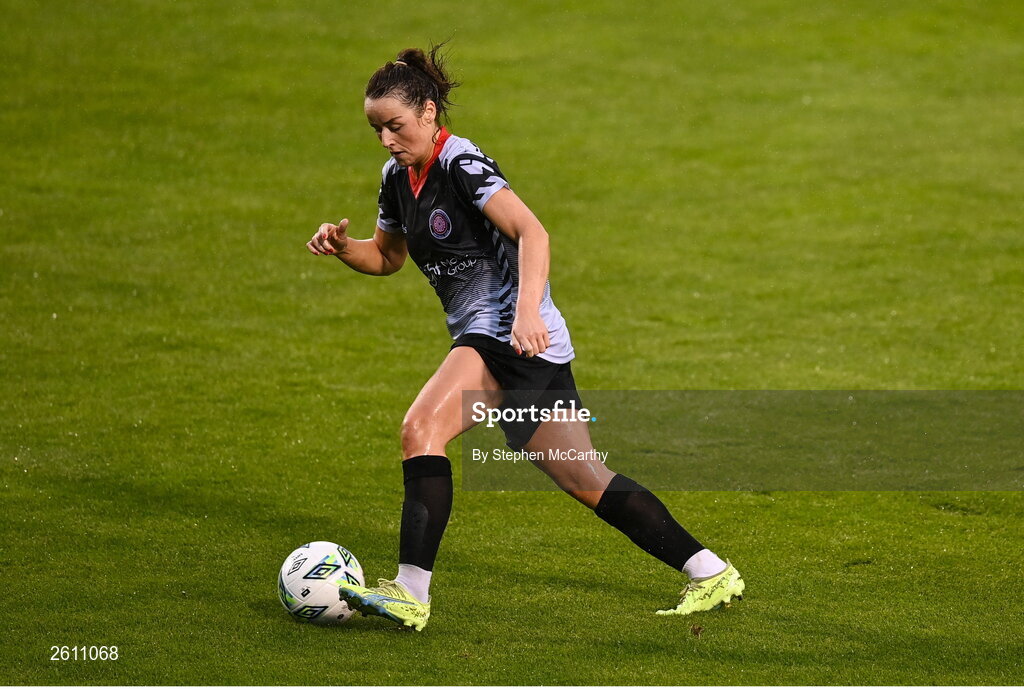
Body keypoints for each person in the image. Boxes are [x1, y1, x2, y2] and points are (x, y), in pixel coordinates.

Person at [306, 45, 744, 632]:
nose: (385, 138)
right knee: (586, 478)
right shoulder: (396, 178)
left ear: (429, 112)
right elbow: (386, 257)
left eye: (395, 125)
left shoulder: (461, 165)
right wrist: (343, 249)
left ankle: (411, 591)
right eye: (376, 128)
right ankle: (711, 570)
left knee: (421, 428)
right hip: (513, 344)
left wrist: (528, 310)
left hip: (511, 333)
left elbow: (531, 232)